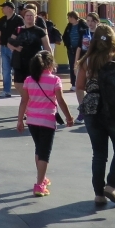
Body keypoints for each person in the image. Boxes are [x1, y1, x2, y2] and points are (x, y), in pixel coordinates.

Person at [75, 25, 115, 206]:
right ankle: (111, 185)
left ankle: (98, 194)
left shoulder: (87, 60)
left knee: (99, 154)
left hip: (93, 109)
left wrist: (83, 105)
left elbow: (79, 86)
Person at [16, 50, 73, 197]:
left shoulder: (29, 80)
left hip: (32, 120)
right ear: (50, 64)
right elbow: (60, 100)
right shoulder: (55, 80)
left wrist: (19, 120)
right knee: (44, 154)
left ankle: (41, 178)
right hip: (47, 120)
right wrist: (68, 117)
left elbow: (24, 101)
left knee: (39, 149)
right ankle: (39, 184)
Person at [8, 8, 53, 97]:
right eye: (27, 16)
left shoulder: (40, 31)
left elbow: (47, 47)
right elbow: (9, 43)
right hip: (19, 61)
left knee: (34, 82)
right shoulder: (18, 30)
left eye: (31, 15)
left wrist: (50, 63)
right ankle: (26, 97)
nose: (29, 17)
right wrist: (16, 48)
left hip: (35, 61)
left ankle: (31, 99)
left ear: (35, 17)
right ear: (24, 17)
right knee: (18, 83)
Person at [0, 1, 23, 99]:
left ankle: (22, 89)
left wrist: (17, 46)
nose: (2, 9)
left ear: (9, 8)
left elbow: (22, 33)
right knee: (5, 70)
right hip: (3, 47)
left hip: (14, 49)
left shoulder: (18, 20)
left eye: (3, 7)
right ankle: (6, 90)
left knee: (17, 69)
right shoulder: (2, 20)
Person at [62, 11, 90, 90]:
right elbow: (65, 36)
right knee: (72, 66)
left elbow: (86, 35)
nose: (68, 19)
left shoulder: (82, 25)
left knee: (82, 65)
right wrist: (67, 44)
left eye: (69, 17)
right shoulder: (69, 26)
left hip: (82, 49)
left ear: (73, 17)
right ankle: (73, 83)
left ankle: (83, 82)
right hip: (71, 49)